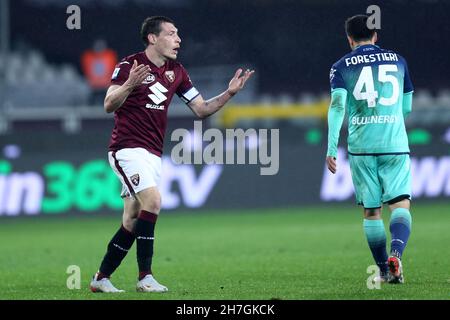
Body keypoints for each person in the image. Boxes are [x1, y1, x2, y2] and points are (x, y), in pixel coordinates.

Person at [89, 16, 254, 293]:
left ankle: (101, 278)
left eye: (178, 35)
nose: (178, 40)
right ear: (153, 38)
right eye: (172, 34)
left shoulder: (176, 71)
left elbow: (201, 109)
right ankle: (145, 277)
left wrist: (229, 93)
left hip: (153, 153)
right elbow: (108, 104)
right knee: (153, 202)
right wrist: (129, 85)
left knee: (132, 218)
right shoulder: (130, 65)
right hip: (126, 148)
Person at [326, 15, 413, 284]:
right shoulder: (398, 60)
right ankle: (396, 253)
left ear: (350, 39)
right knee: (400, 204)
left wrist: (331, 148)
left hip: (361, 147)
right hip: (394, 144)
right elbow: (407, 107)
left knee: (371, 212)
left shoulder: (340, 66)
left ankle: (385, 271)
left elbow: (338, 106)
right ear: (375, 36)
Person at [81, 39, 118, 105]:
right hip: (92, 85)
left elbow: (112, 71)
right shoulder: (88, 57)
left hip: (106, 83)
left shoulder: (110, 56)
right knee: (83, 89)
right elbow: (87, 72)